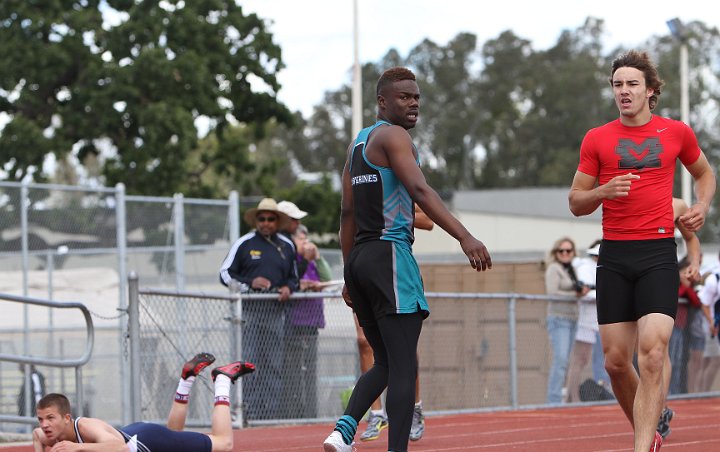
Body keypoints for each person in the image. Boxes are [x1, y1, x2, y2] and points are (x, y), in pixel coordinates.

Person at [323, 66, 492, 452]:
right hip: (390, 256)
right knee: (403, 366)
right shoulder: (395, 136)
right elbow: (418, 188)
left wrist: (349, 273)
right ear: (383, 102)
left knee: (383, 361)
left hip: (361, 260)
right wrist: (464, 236)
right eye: (404, 97)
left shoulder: (357, 146)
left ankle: (344, 429)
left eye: (416, 96)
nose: (414, 103)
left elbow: (347, 214)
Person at [568, 50, 715, 451]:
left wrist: (701, 206)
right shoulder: (597, 138)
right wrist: (602, 190)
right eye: (618, 85)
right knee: (617, 363)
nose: (624, 91)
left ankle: (642, 444)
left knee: (652, 354)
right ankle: (651, 424)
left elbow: (703, 172)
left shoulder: (676, 132)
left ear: (650, 91)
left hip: (656, 254)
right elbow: (576, 202)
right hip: (614, 256)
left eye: (632, 84)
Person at [32, 353, 254, 452]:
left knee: (224, 444)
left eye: (51, 418)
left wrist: (77, 447)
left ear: (67, 418)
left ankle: (223, 380)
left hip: (145, 441)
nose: (45, 425)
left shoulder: (84, 427)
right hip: (135, 433)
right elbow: (36, 436)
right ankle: (186, 380)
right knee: (174, 433)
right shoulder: (45, 434)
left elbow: (119, 447)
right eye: (41, 419)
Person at [357, 204, 433, 443]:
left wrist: (386, 215)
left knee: (404, 348)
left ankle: (414, 409)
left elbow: (428, 221)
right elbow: (348, 223)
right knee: (364, 342)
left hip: (396, 268)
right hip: (366, 269)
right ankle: (377, 413)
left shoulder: (401, 185)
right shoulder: (359, 183)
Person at [218, 197, 299, 420]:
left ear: (277, 221)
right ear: (256, 221)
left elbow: (294, 278)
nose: (266, 223)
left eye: (271, 219)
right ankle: (249, 412)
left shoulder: (287, 245)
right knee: (249, 361)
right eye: (261, 219)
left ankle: (270, 414)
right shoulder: (244, 243)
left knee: (273, 363)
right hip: (250, 312)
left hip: (275, 312)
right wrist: (249, 284)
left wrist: (287, 288)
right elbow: (225, 273)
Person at [281, 223, 332, 418]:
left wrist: (318, 258)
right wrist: (302, 285)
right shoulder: (292, 259)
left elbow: (326, 278)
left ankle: (311, 414)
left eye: (306, 238)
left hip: (312, 324)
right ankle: (293, 414)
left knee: (310, 372)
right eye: (301, 238)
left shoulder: (311, 260)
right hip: (294, 323)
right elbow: (292, 281)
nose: (305, 243)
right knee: (293, 373)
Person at [564, 240, 610, 403]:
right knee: (579, 359)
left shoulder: (603, 269)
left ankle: (576, 395)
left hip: (597, 319)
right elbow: (585, 292)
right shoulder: (585, 267)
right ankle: (572, 396)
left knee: (591, 358)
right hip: (585, 320)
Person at [544, 237, 587, 404]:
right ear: (556, 253)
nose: (565, 254)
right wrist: (575, 295)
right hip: (559, 318)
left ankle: (561, 398)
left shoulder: (571, 269)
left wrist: (582, 290)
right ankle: (553, 400)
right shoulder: (554, 269)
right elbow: (552, 293)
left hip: (572, 319)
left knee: (566, 360)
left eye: (568, 251)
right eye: (561, 251)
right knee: (560, 360)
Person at [698, 258, 720, 391]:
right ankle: (703, 393)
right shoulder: (714, 278)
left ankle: (702, 391)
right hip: (711, 329)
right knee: (712, 360)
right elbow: (704, 303)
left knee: (710, 361)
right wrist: (711, 322)